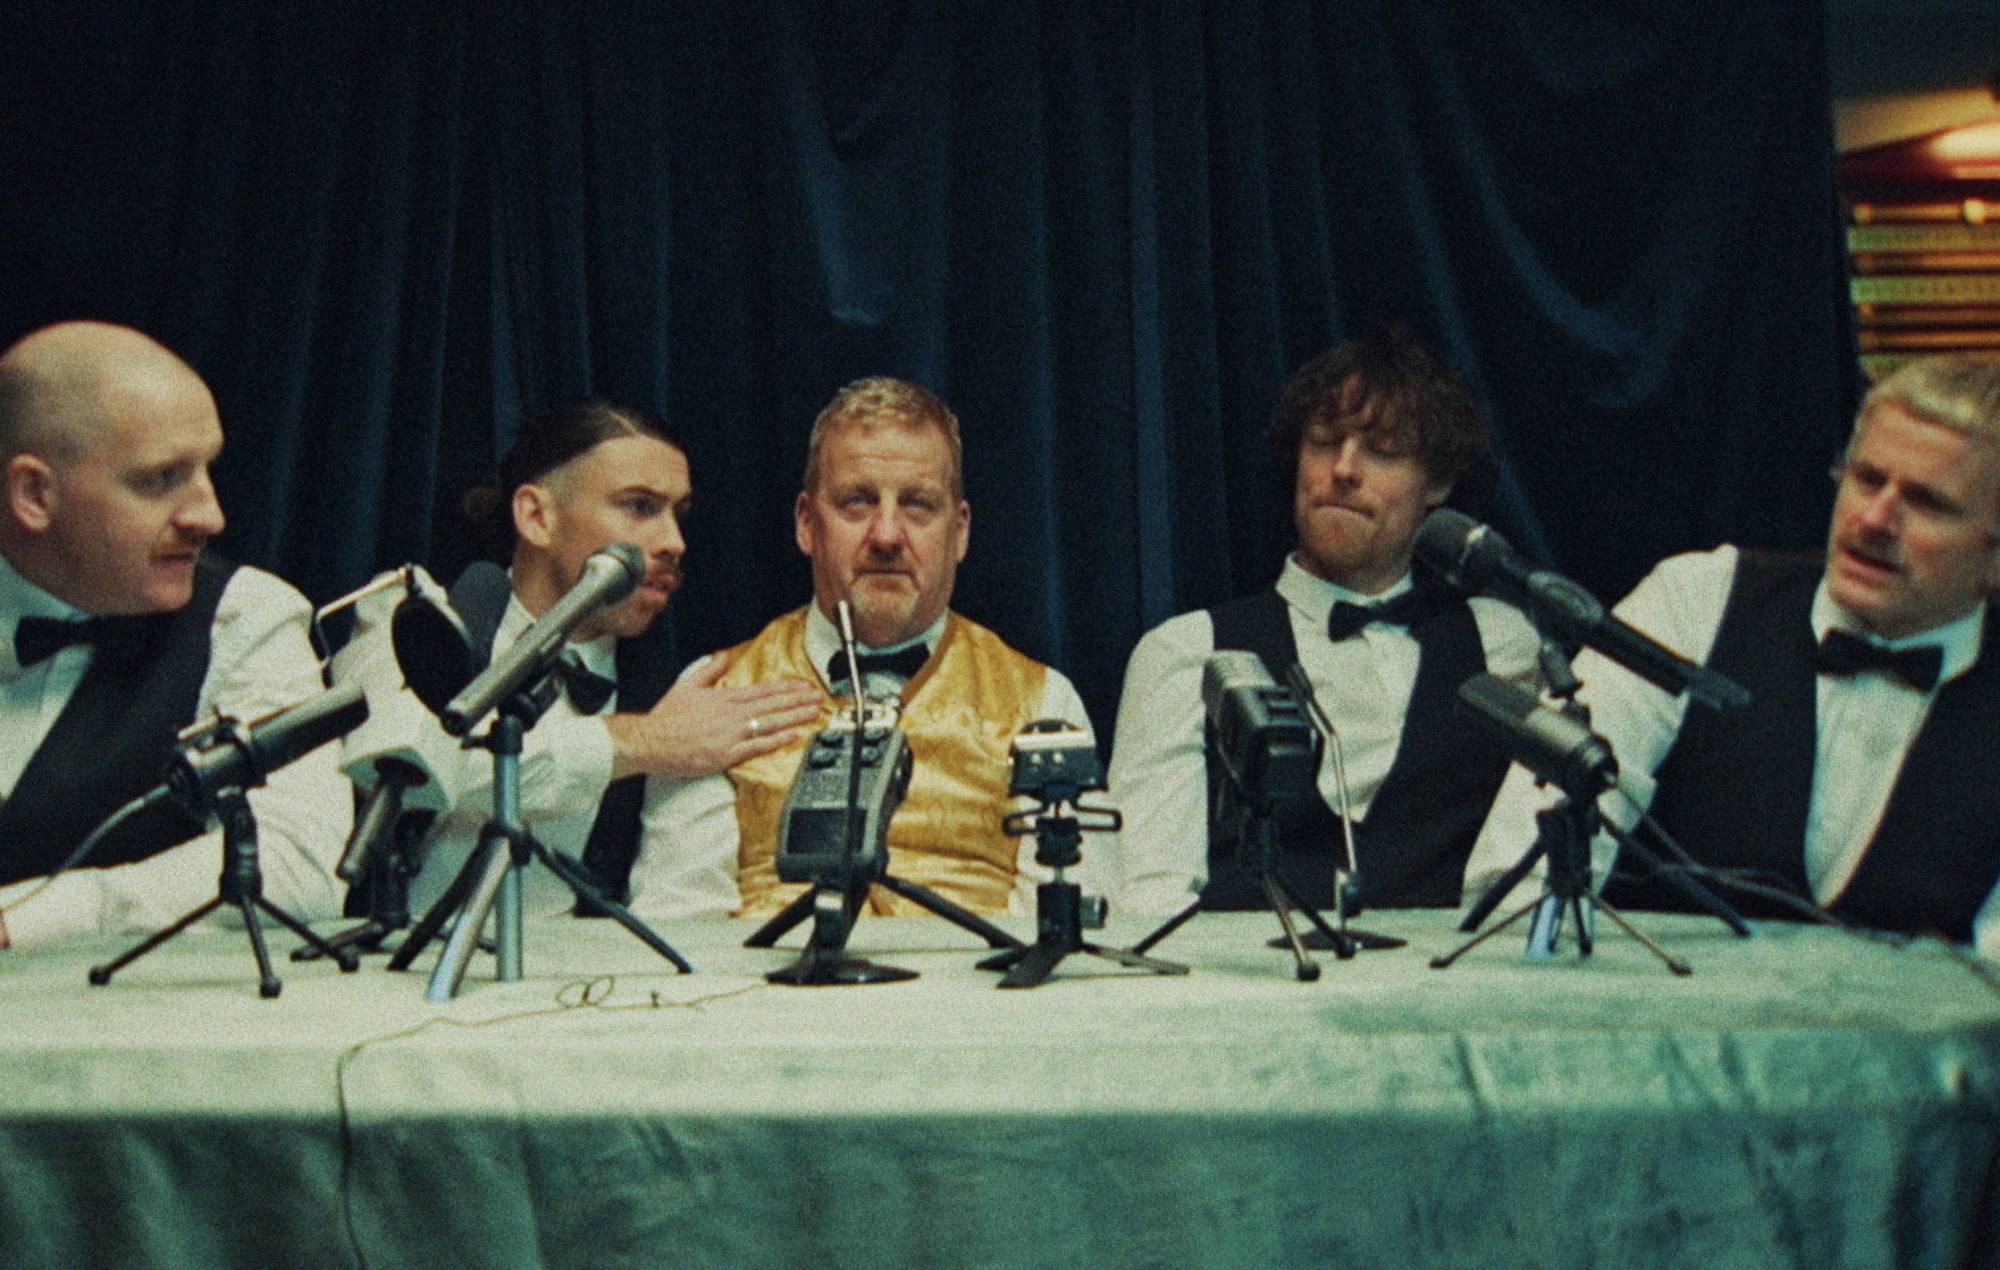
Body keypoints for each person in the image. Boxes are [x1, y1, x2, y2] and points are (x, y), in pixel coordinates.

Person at [1465, 354, 2000, 956]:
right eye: (1867, 478)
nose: (1875, 519)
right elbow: (1518, 883)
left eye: (1927, 503)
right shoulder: (1701, 599)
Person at [1105, 328, 1539, 916]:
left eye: (1383, 450)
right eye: (1323, 442)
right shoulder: (1186, 651)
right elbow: (1152, 899)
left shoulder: (1503, 644)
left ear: (1437, 483)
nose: (1344, 468)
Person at [628, 376, 1098, 918]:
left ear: (960, 532)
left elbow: (1072, 922)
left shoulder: (1043, 703)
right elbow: (680, 923)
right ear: (807, 524)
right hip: (767, 974)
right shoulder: (715, 690)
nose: (887, 535)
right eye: (857, 502)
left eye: (918, 504)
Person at [337, 399, 819, 920]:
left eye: (678, 516)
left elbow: (686, 907)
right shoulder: (412, 612)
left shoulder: (674, 693)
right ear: (536, 516)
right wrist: (636, 742)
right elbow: (397, 763)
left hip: (580, 970)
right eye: (639, 506)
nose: (673, 542)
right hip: (383, 966)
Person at [0, 320, 350, 949]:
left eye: (207, 470)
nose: (209, 516)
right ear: (34, 493)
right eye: (160, 479)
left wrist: (26, 918)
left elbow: (296, 862)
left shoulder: (243, 617)